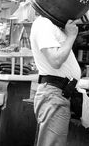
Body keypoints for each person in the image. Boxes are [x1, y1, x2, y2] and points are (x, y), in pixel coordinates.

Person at [30, 17, 80, 146]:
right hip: (54, 94)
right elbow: (55, 60)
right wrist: (71, 36)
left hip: (58, 94)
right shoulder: (43, 23)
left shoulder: (53, 25)